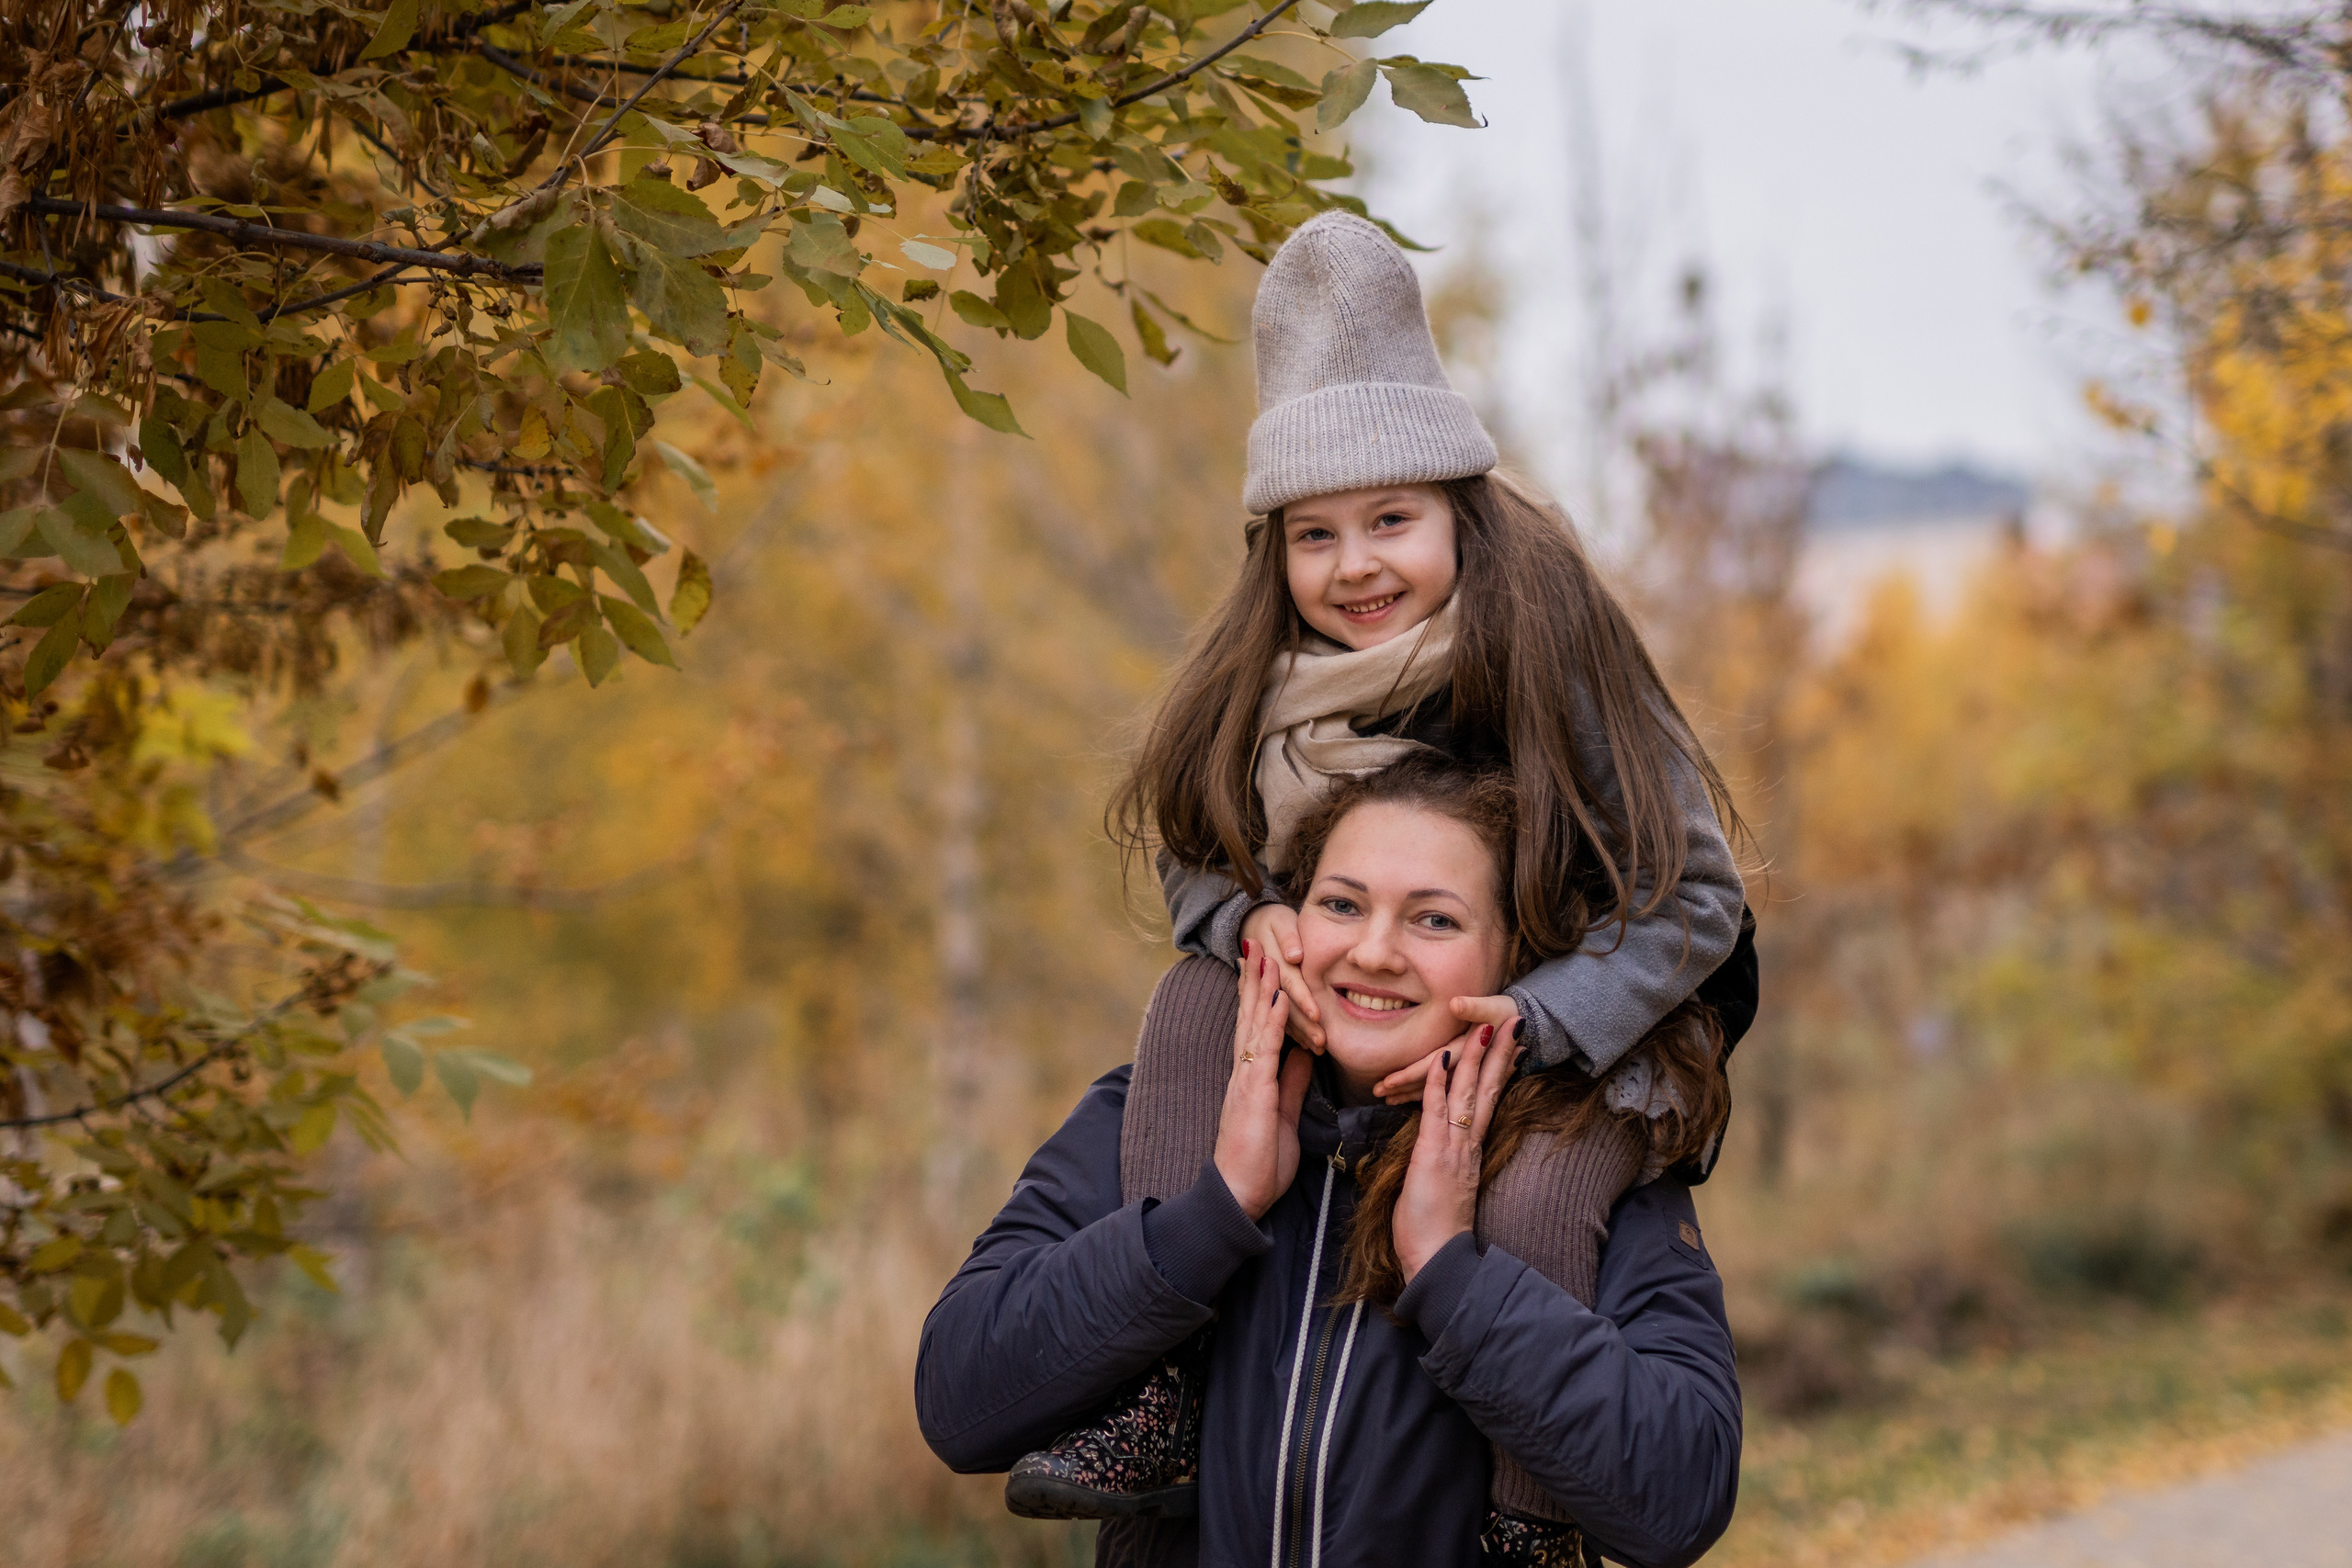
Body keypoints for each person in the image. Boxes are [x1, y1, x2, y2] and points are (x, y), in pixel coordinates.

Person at [1005, 209, 1757, 1539]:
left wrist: (1540, 1020)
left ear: (1457, 507)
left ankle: (1528, 1514)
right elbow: (1192, 843)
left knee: (1519, 1191)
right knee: (1194, 1001)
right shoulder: (1265, 681)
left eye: (1392, 519)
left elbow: (1697, 897)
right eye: (1314, 533)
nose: (1355, 567)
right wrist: (1263, 926)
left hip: (1592, 1019)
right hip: (1372, 1009)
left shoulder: (1545, 635)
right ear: (1272, 545)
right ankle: (1154, 1393)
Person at [916, 758, 1742, 1568]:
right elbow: (959, 1399)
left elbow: (1681, 1499)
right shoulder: (1156, 1114)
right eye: (1341, 904)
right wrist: (1211, 1214)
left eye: (1435, 920)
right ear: (1283, 921)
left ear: (1519, 965)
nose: (1373, 951)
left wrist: (1454, 1275)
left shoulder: (1578, 1165)